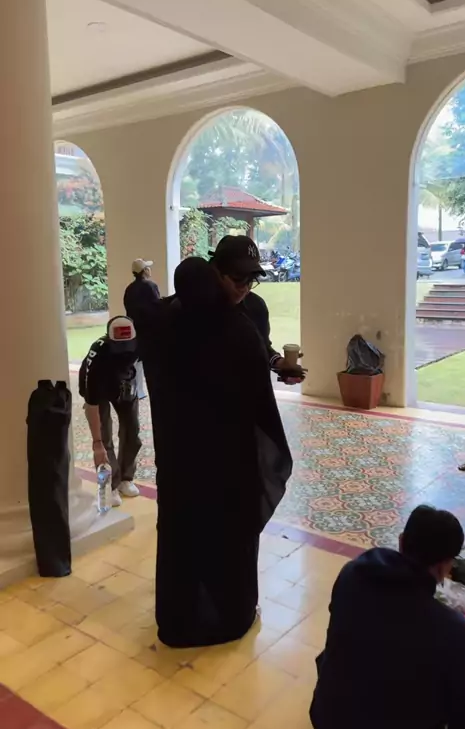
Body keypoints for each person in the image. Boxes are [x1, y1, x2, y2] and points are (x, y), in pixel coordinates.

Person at [151, 257, 292, 648]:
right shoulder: (236, 330)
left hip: (180, 460)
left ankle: (178, 619)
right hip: (227, 460)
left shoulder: (165, 328)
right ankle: (230, 616)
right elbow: (258, 402)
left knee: (182, 538)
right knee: (228, 538)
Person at [310, 505, 465, 729]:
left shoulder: (351, 573)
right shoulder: (451, 629)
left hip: (329, 726)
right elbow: (463, 724)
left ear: (401, 541)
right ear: (445, 566)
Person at [209, 236, 305, 385]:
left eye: (250, 280)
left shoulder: (256, 307)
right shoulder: (196, 310)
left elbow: (263, 348)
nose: (244, 288)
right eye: (238, 278)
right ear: (217, 272)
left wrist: (280, 364)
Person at [79, 316, 141, 506]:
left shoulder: (142, 343)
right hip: (99, 387)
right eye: (119, 347)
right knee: (104, 436)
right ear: (109, 339)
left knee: (132, 431)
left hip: (125, 383)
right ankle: (110, 485)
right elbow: (92, 405)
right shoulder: (97, 356)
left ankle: (125, 479)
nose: (124, 353)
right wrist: (96, 443)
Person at [124, 258, 161, 400]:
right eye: (147, 267)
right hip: (149, 332)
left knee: (137, 361)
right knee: (150, 365)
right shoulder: (151, 286)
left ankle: (138, 390)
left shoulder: (129, 289)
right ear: (144, 271)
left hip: (135, 330)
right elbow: (157, 308)